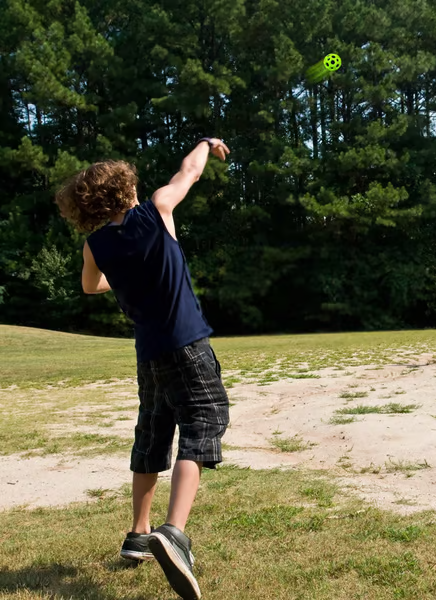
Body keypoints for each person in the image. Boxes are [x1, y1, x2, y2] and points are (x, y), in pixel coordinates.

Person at [55, 137, 231, 600]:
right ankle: (173, 532)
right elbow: (188, 173)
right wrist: (206, 144)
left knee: (152, 433)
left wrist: (121, 274)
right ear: (126, 189)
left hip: (148, 354)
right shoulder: (157, 210)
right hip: (188, 346)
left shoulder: (96, 244)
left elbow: (91, 287)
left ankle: (138, 533)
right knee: (205, 421)